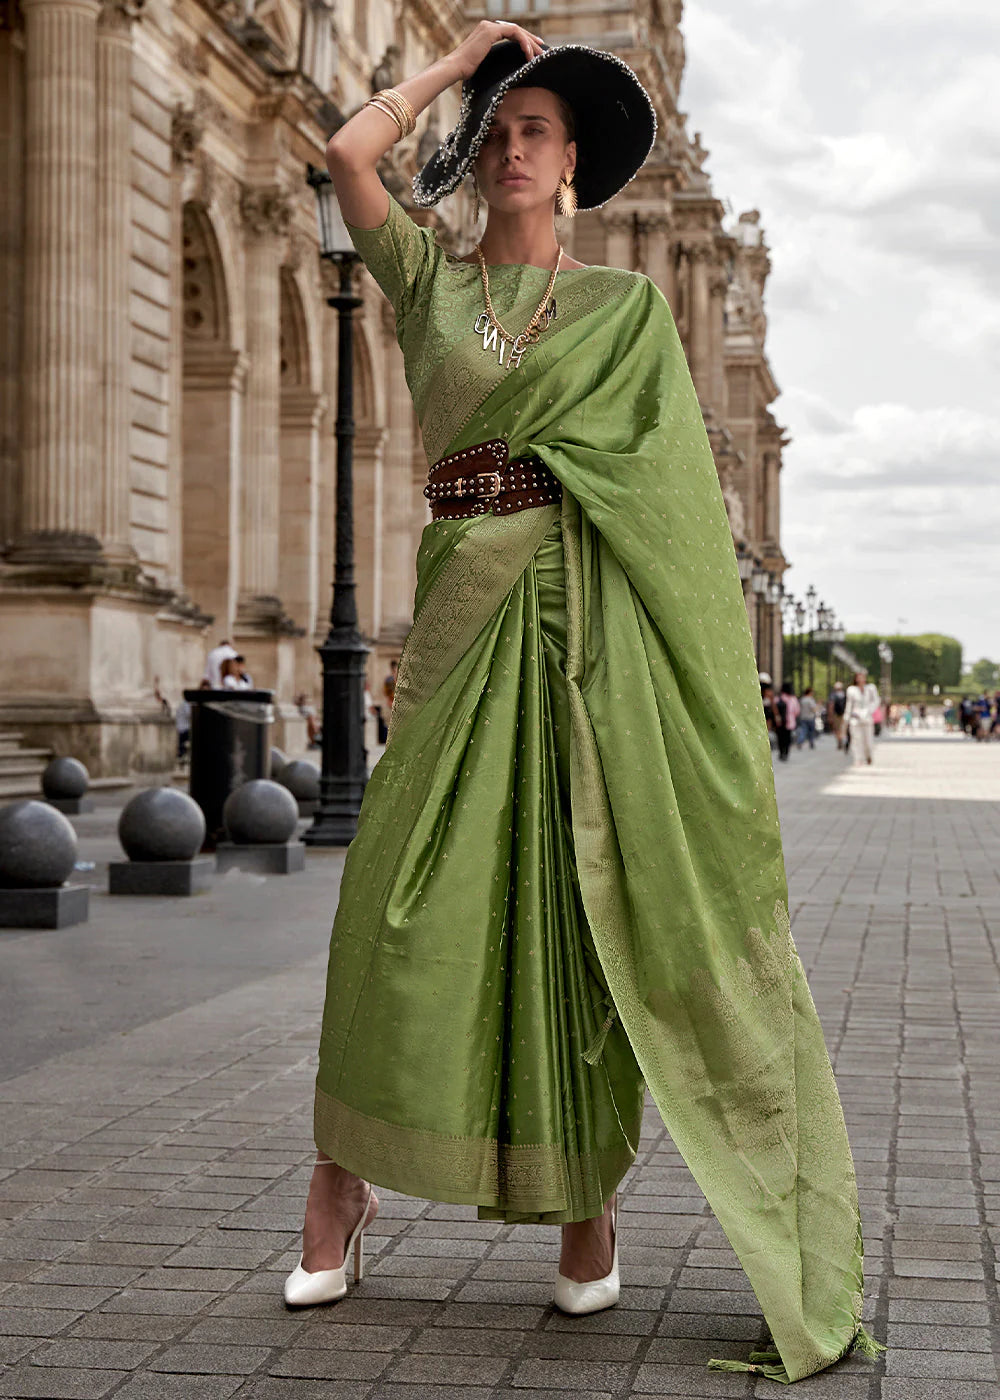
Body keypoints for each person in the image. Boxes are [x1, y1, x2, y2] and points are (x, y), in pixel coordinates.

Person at [286, 21, 878, 1384]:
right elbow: (344, 151)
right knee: (395, 909)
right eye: (496, 132)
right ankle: (342, 1187)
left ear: (574, 169)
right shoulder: (426, 282)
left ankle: (584, 1214)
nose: (508, 148)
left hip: (589, 640)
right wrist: (458, 69)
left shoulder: (626, 319)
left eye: (534, 132)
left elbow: (671, 518)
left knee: (572, 924)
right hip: (461, 627)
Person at [843, 669, 881, 766]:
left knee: (868, 740)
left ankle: (868, 755)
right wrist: (846, 719)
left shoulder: (871, 688)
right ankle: (858, 758)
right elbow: (849, 705)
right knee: (856, 740)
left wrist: (869, 711)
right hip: (855, 719)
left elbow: (876, 701)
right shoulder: (851, 689)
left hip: (867, 718)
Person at [775, 680, 799, 762]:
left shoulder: (778, 698)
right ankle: (786, 753)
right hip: (790, 722)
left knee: (780, 738)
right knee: (787, 738)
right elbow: (797, 711)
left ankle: (781, 752)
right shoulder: (793, 699)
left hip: (780, 722)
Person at [827, 681, 847, 749]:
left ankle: (839, 740)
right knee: (842, 728)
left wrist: (830, 716)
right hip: (844, 714)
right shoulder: (845, 694)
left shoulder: (833, 695)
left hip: (836, 714)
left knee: (837, 729)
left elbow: (831, 706)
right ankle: (842, 739)